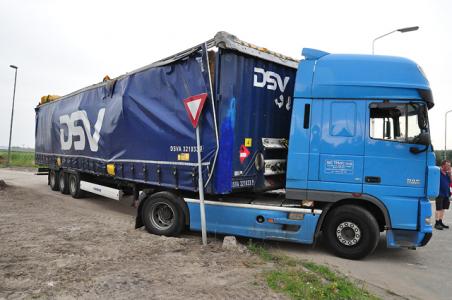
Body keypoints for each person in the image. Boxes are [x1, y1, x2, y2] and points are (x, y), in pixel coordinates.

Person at [435, 160, 452, 230]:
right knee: (438, 208)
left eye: (449, 165)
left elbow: (451, 181)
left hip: (446, 193)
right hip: (439, 193)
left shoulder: (447, 174)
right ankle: (437, 223)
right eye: (447, 165)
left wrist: (450, 173)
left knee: (443, 208)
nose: (448, 167)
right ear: (443, 165)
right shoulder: (438, 172)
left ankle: (440, 221)